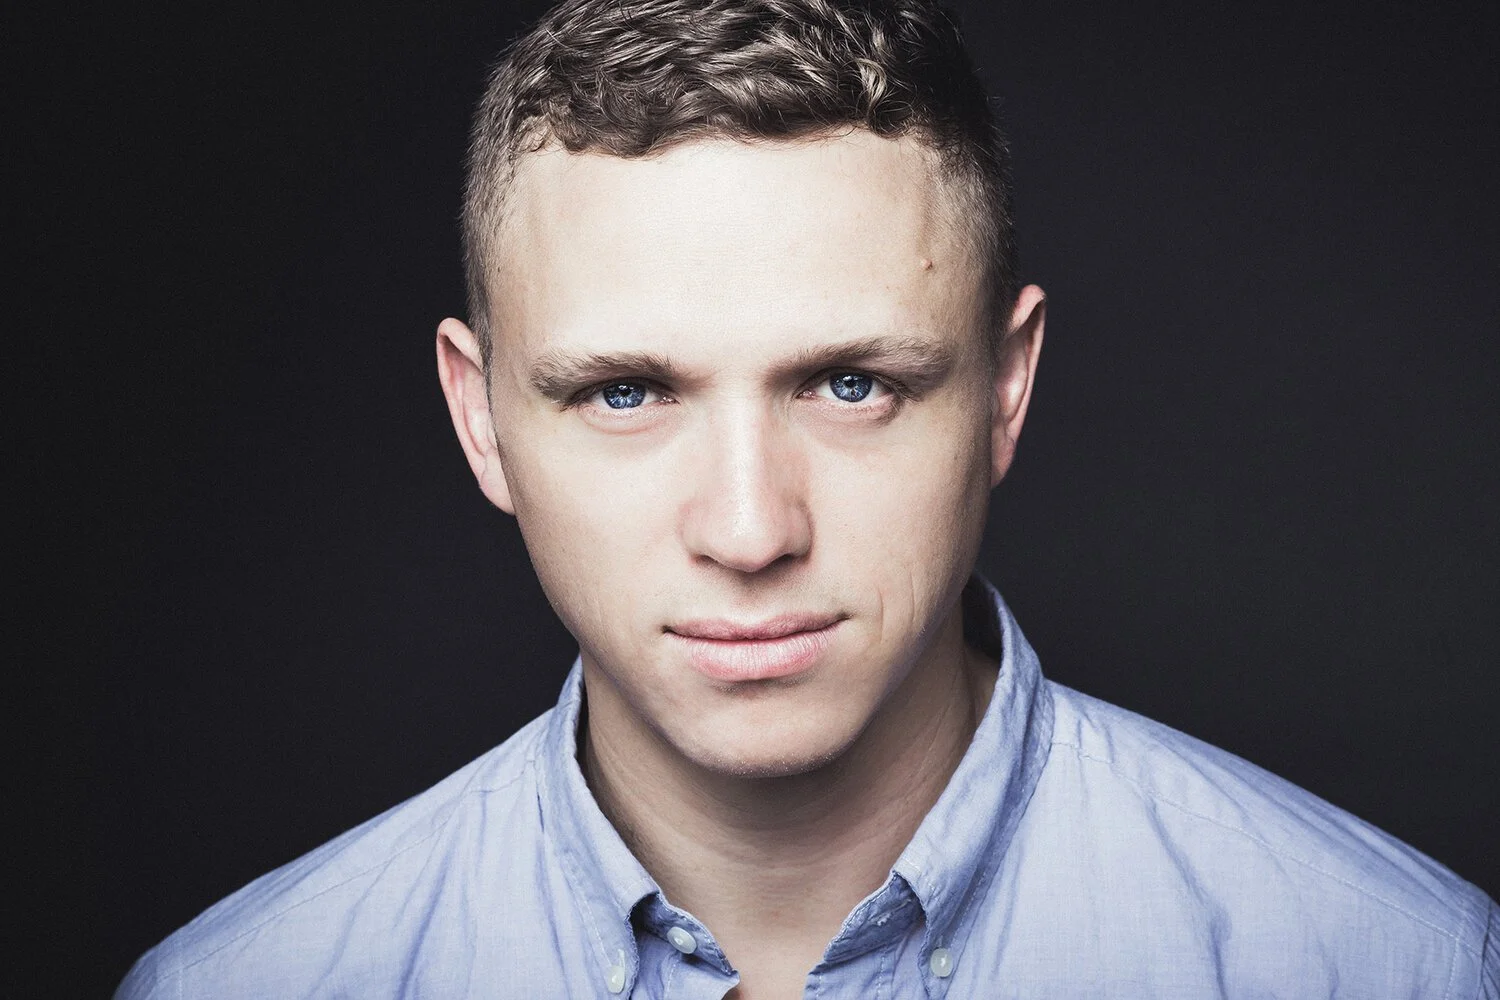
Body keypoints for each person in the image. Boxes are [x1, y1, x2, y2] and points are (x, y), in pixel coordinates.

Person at [116, 0, 1498, 996]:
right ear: (479, 421)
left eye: (849, 386)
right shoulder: (240, 987)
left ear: (1006, 388)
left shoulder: (1396, 967)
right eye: (625, 393)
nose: (749, 529)